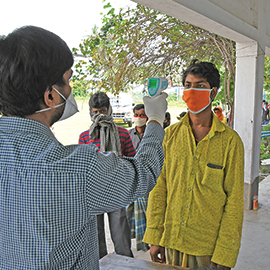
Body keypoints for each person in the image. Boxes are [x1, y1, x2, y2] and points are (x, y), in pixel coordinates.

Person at [0, 26, 168, 269]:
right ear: (50, 95)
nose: (69, 91)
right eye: (67, 81)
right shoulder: (77, 168)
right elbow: (143, 174)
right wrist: (154, 120)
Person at [143, 59, 244, 270]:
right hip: (172, 241)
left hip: (207, 248)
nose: (192, 91)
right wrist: (154, 236)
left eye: (200, 86)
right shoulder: (169, 136)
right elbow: (159, 188)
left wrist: (225, 253)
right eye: (188, 86)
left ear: (213, 92)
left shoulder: (230, 142)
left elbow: (234, 201)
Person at [78, 92, 135, 259]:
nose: (99, 115)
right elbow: (82, 167)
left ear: (109, 110)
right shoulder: (85, 137)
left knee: (121, 238)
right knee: (96, 239)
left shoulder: (123, 134)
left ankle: (126, 265)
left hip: (117, 192)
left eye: (102, 111)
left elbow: (133, 161)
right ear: (90, 112)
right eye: (95, 111)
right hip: (93, 193)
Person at [126, 104, 149, 251]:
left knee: (149, 214)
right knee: (133, 214)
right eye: (137, 115)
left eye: (142, 115)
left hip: (149, 180)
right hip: (132, 180)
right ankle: (141, 243)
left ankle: (148, 241)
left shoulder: (152, 135)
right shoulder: (128, 135)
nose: (139, 118)